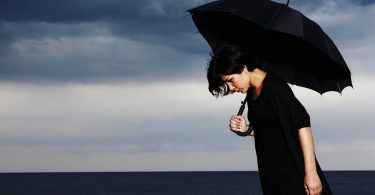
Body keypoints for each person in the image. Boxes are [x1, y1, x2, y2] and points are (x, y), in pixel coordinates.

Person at [207, 44, 332, 195]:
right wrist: (247, 129)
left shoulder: (274, 87)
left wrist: (311, 173)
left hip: (293, 172)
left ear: (244, 68)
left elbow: (302, 124)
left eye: (230, 80)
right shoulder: (251, 93)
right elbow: (269, 130)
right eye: (226, 83)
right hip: (272, 174)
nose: (231, 87)